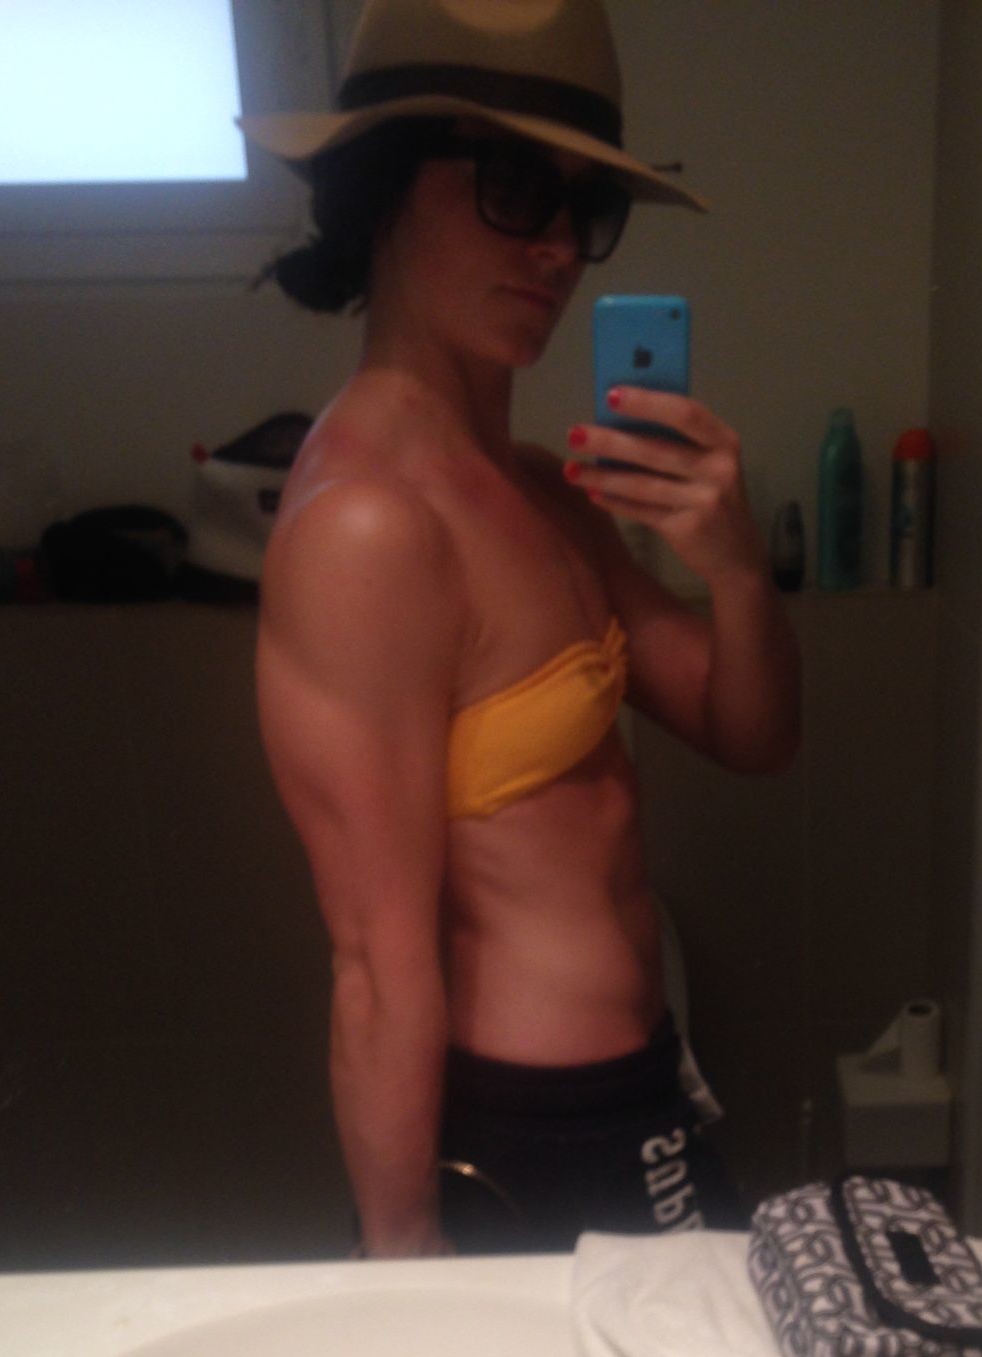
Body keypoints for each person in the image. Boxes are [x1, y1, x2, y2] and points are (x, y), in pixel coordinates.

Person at [242, 0, 800, 1257]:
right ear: (386, 187)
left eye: (583, 210)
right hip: (518, 1149)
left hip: (642, 1103)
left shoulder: (540, 488)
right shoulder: (368, 531)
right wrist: (404, 1258)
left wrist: (736, 568)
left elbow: (753, 733)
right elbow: (376, 963)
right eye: (511, 189)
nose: (556, 248)